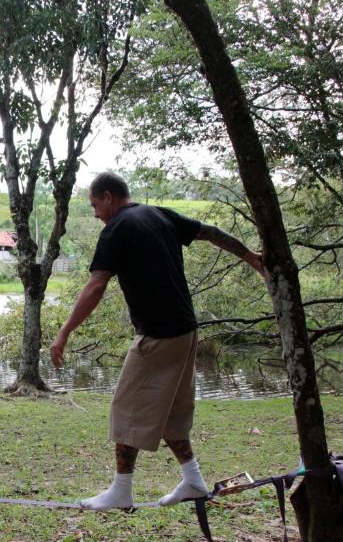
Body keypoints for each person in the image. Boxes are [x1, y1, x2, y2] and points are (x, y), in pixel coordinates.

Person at [50, 172, 266, 510]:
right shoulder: (159, 213)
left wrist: (63, 332)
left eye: (94, 205)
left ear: (108, 197)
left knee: (125, 408)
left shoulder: (117, 229)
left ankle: (121, 491)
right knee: (171, 413)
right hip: (186, 329)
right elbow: (212, 233)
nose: (94, 213)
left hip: (159, 334)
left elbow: (96, 285)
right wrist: (251, 257)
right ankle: (194, 481)